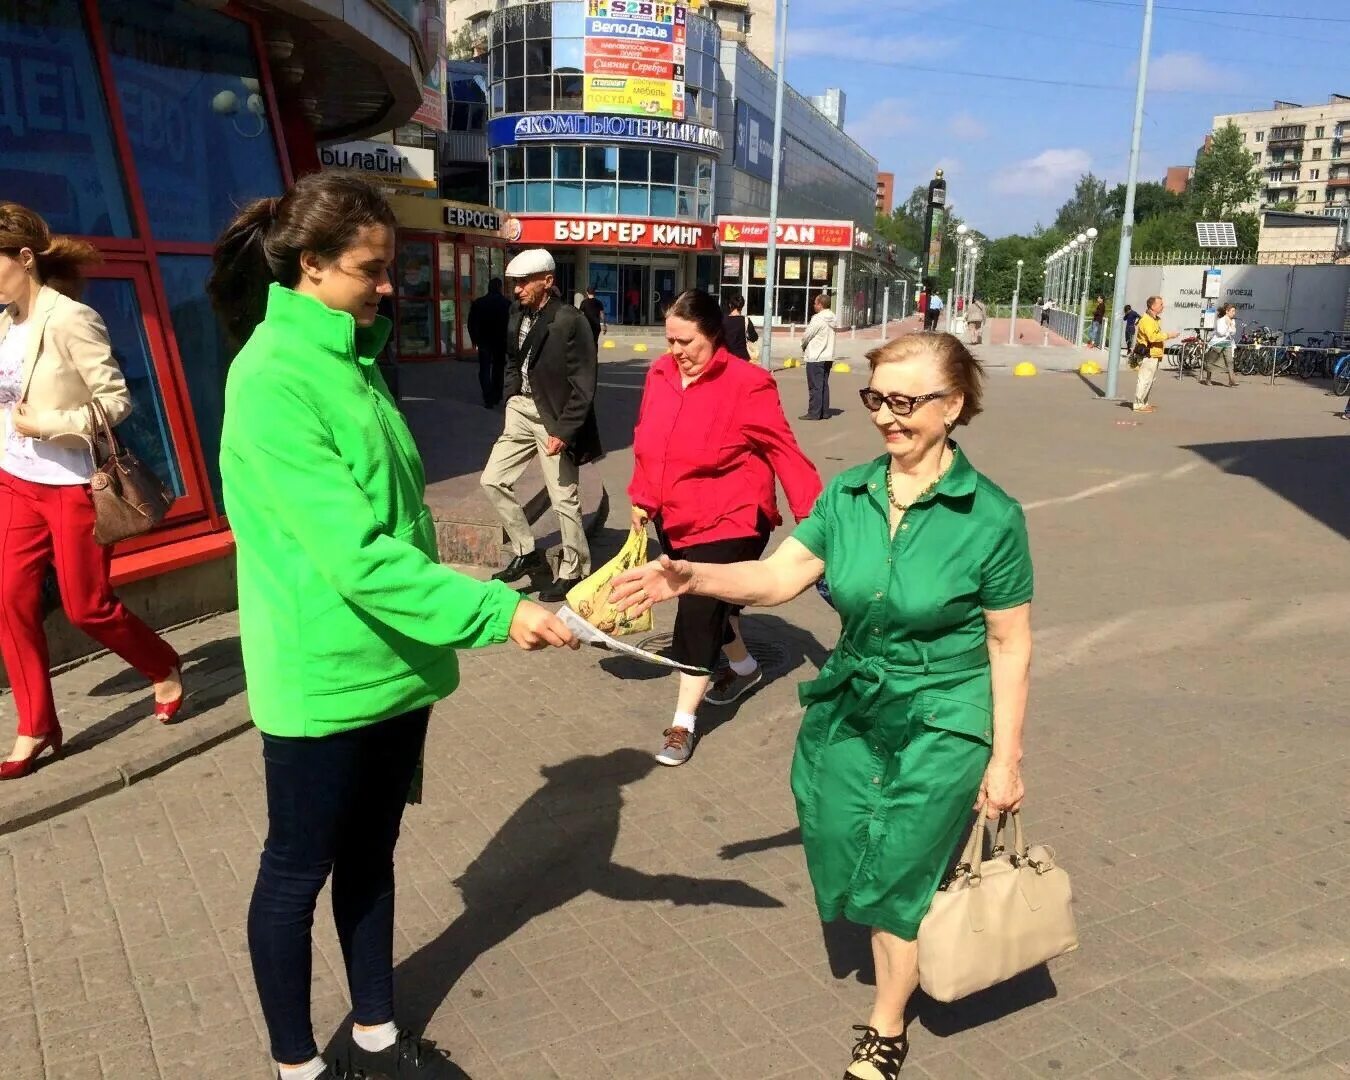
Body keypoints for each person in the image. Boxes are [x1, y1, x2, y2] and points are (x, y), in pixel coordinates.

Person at [208, 173, 577, 1080]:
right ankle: (298, 1067)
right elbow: (360, 555)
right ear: (309, 266)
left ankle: (377, 1038)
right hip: (324, 675)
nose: (388, 287)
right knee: (297, 873)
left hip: (394, 665)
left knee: (372, 859)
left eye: (389, 268)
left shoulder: (350, 360)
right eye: (371, 269)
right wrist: (500, 609)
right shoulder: (272, 379)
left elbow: (398, 524)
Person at [612, 331, 1032, 1079]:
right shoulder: (849, 494)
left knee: (896, 873)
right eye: (877, 399)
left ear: (953, 406)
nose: (885, 418)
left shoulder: (992, 517)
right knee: (837, 827)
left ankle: (886, 1025)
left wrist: (1006, 758)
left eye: (905, 402)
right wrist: (694, 580)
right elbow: (779, 579)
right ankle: (906, 886)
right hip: (854, 700)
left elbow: (1009, 644)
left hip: (944, 713)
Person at [0, 203, 184, 781]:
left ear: (24, 259)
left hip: (74, 485)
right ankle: (37, 725)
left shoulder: (71, 319)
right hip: (16, 481)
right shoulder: (3, 322)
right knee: (9, 601)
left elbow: (116, 401)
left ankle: (162, 663)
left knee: (86, 606)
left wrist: (49, 424)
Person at [627, 290, 822, 767]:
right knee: (714, 609)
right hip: (678, 515)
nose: (675, 351)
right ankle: (745, 666)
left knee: (695, 614)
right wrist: (642, 497)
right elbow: (649, 441)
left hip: (731, 516)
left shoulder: (748, 383)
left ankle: (681, 724)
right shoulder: (660, 374)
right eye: (669, 339)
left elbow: (785, 453)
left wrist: (821, 526)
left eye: (685, 341)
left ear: (713, 334)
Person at [481, 248, 601, 603]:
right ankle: (526, 551)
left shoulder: (570, 320)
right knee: (492, 479)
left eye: (523, 282)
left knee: (564, 498)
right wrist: (510, 396)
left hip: (554, 418)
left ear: (547, 281)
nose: (516, 290)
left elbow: (585, 383)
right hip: (520, 409)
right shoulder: (517, 312)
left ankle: (574, 570)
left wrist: (564, 431)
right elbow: (511, 358)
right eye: (514, 283)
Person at [467, 277, 511, 408]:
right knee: (498, 368)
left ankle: (488, 397)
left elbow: (471, 323)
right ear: (500, 288)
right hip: (500, 341)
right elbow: (511, 325)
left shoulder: (479, 303)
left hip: (484, 340)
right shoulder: (507, 304)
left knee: (484, 369)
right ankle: (497, 394)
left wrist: (474, 339)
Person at [1133, 295, 1179, 414]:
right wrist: (1169, 335)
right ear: (1153, 306)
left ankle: (1143, 402)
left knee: (1149, 379)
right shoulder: (1147, 320)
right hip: (1148, 354)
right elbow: (1152, 337)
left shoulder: (1153, 319)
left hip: (1153, 354)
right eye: (1161, 304)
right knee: (1144, 379)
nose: (1163, 306)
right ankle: (1138, 404)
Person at [800, 292, 838, 421]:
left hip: (816, 356)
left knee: (815, 386)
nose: (814, 305)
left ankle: (814, 412)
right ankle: (824, 411)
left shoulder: (818, 319)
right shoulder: (832, 318)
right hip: (828, 356)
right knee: (823, 385)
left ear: (820, 305)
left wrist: (803, 345)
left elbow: (807, 335)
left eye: (815, 303)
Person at [1202, 303, 1238, 388]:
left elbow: (1233, 332)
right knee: (1211, 361)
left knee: (1230, 361)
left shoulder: (1232, 321)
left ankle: (1231, 380)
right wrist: (1228, 326)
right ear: (1227, 311)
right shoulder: (1220, 320)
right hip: (1218, 343)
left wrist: (1231, 326)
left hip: (1227, 343)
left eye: (1234, 311)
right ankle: (1208, 378)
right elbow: (1220, 332)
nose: (1234, 313)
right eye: (1232, 311)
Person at [722, 293, 759, 361]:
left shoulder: (722, 320)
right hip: (742, 358)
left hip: (726, 357)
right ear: (742, 306)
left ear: (730, 305)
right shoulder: (746, 320)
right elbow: (754, 338)